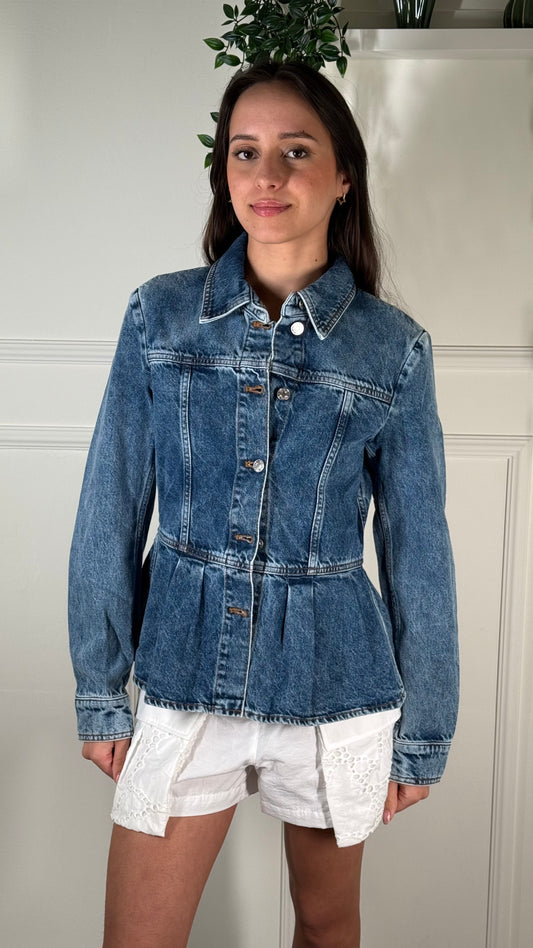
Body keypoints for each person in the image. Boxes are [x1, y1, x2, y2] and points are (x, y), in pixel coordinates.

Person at [68, 60, 459, 948]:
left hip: (335, 683)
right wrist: (100, 690)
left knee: (324, 928)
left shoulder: (392, 347)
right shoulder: (160, 316)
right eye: (244, 152)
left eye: (296, 150)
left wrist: (424, 732)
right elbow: (110, 505)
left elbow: (419, 552)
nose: (267, 175)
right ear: (224, 171)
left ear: (344, 174)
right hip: (181, 672)